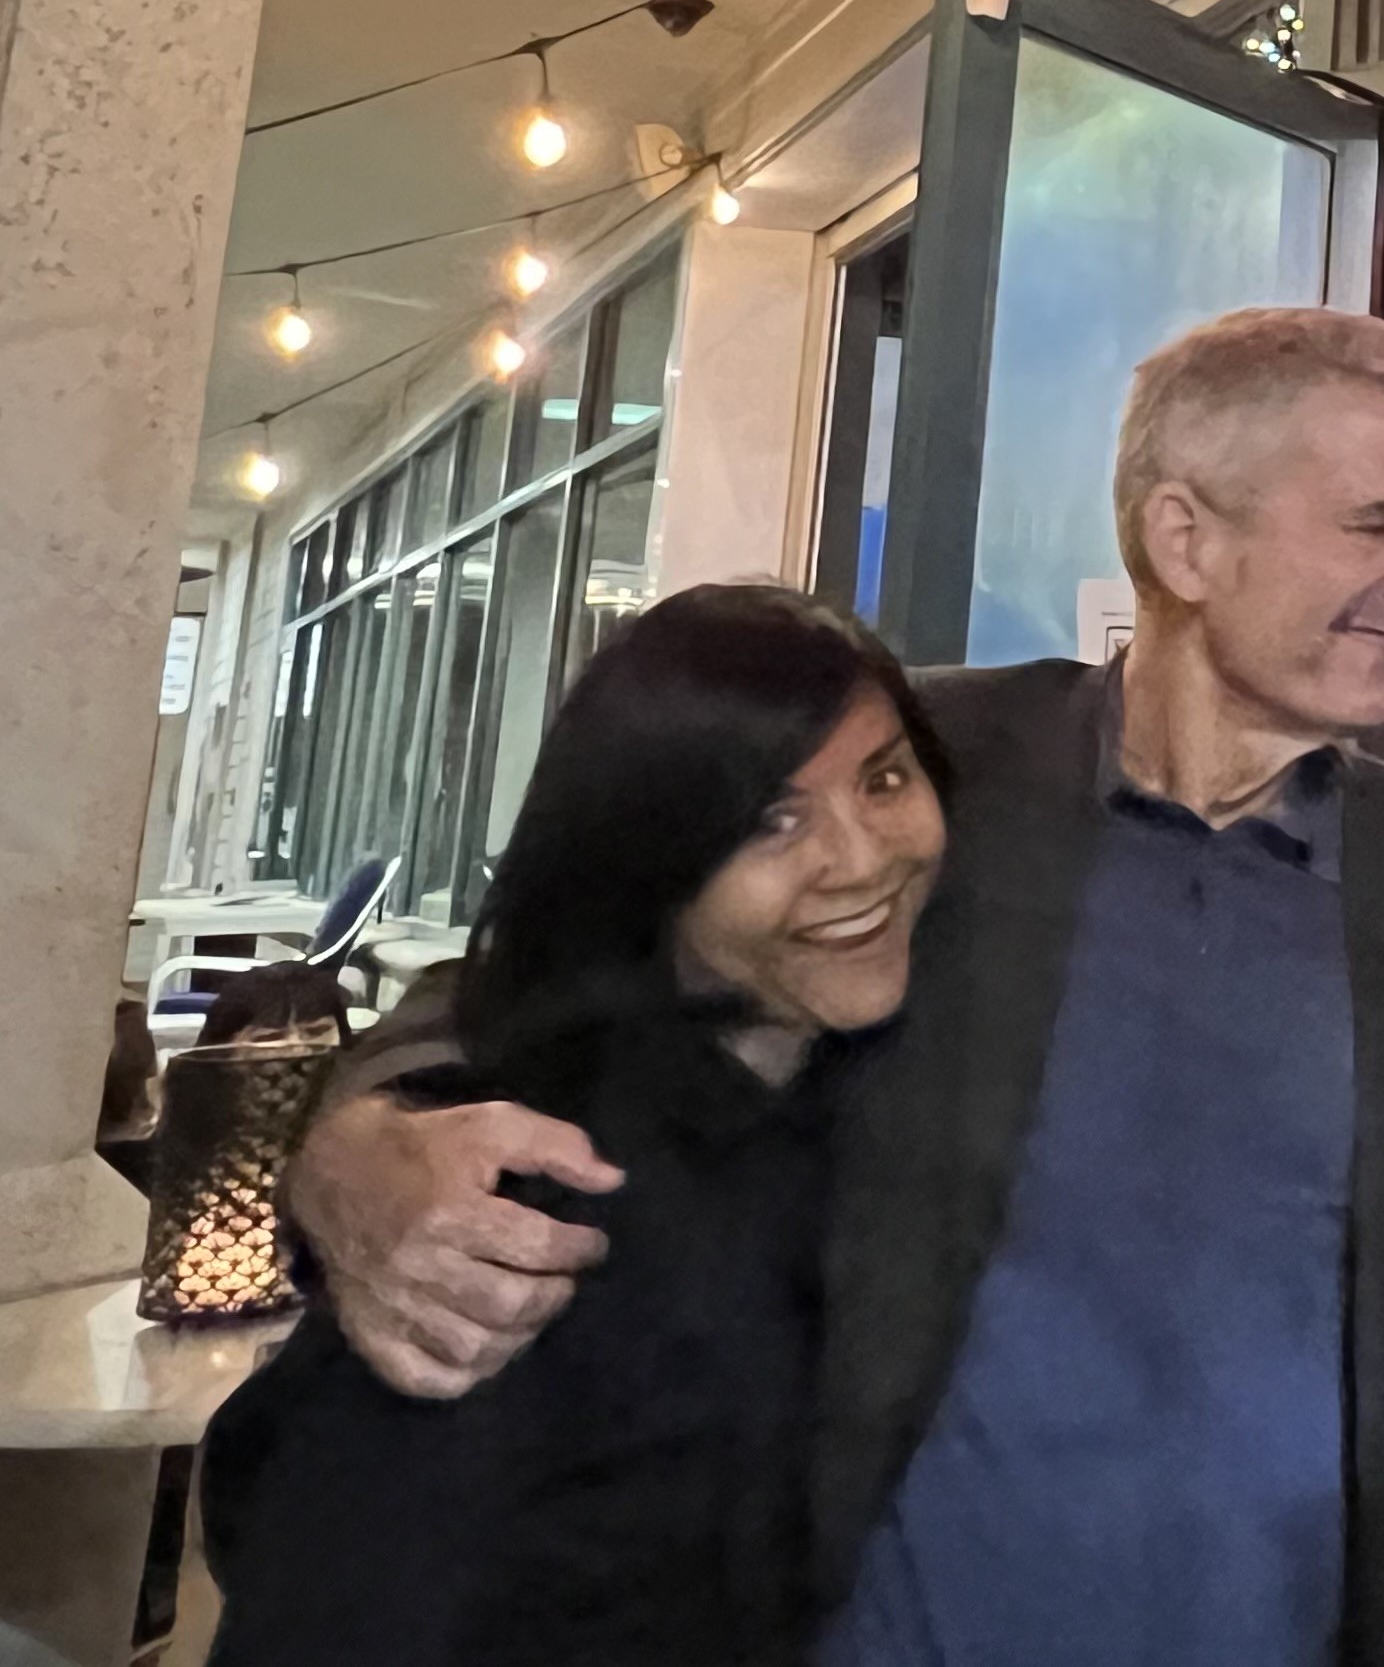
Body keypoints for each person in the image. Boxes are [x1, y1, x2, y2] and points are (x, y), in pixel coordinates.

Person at [286, 306, 1384, 1667]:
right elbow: (579, 959)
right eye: (1375, 525)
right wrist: (364, 1135)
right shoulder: (921, 777)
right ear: (1184, 540)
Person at [205, 584, 951, 1667]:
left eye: (884, 779)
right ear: (652, 857)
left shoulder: (841, 1089)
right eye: (771, 822)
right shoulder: (527, 1200)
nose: (863, 858)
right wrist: (356, 1141)